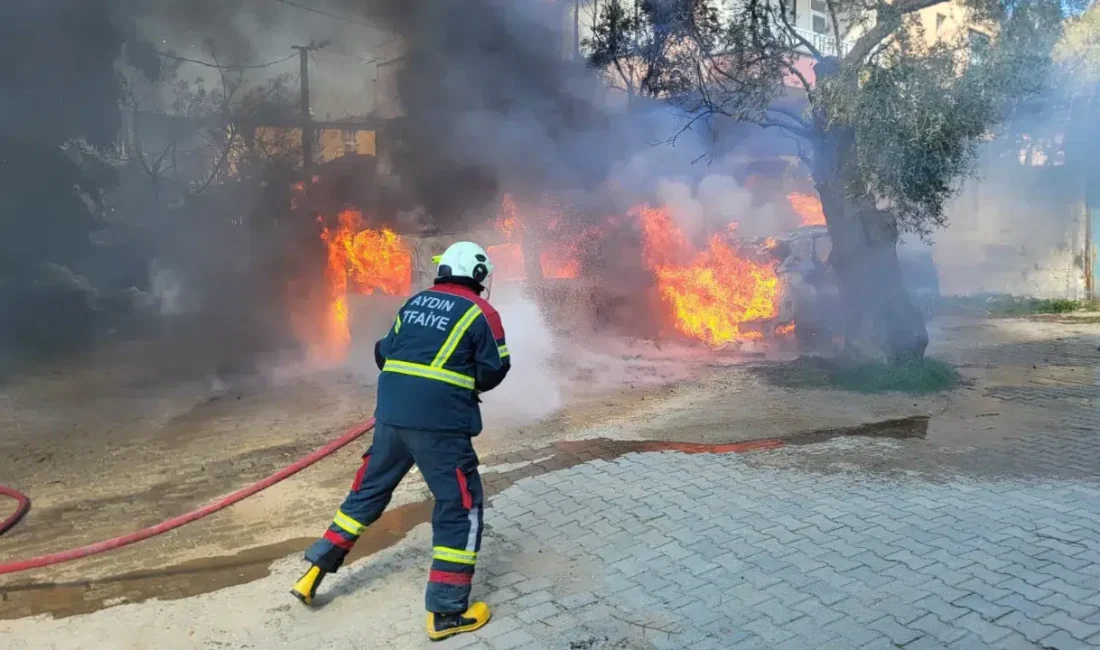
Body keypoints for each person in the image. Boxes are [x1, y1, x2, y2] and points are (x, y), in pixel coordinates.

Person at [290, 241, 510, 642]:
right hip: (440, 427)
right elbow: (496, 370)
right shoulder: (483, 313)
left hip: (391, 418)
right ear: (478, 275)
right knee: (461, 505)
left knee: (367, 494)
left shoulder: (414, 304)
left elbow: (382, 352)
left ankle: (313, 573)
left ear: (445, 270)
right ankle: (446, 614)